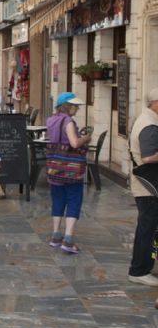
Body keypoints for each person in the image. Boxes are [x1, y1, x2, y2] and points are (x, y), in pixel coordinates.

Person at [46, 92, 91, 254]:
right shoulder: (68, 122)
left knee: (57, 200)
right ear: (68, 106)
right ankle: (68, 239)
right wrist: (86, 138)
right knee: (73, 200)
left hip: (54, 167)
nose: (77, 108)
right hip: (71, 169)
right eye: (75, 106)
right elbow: (74, 143)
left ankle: (56, 235)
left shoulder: (51, 120)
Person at [129, 88, 158, 287]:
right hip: (148, 187)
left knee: (149, 227)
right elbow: (148, 157)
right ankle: (139, 271)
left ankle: (143, 267)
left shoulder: (147, 119)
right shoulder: (149, 125)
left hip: (147, 186)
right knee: (147, 228)